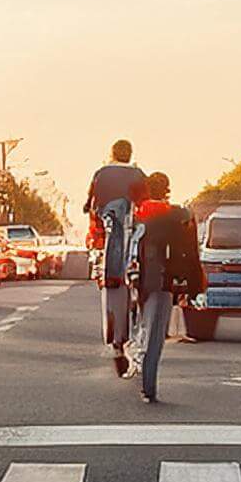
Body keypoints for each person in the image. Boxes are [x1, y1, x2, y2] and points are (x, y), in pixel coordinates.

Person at [126, 173, 204, 403]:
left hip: (139, 280)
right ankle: (148, 382)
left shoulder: (135, 214)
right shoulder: (181, 215)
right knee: (156, 333)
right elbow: (191, 253)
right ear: (167, 190)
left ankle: (135, 354)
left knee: (140, 322)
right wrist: (194, 285)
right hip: (167, 280)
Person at [85, 140, 148, 372]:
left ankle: (118, 340)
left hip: (111, 236)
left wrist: (88, 207)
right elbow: (146, 202)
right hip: (135, 237)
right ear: (130, 155)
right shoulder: (139, 174)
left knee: (111, 278)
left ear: (112, 154)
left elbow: (90, 200)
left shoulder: (101, 173)